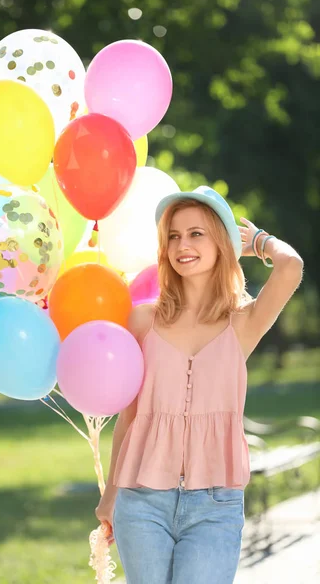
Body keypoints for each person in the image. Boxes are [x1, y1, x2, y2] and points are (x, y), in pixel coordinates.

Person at [95, 185, 303, 584]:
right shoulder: (142, 321)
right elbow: (131, 416)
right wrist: (111, 494)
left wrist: (258, 242)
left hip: (215, 505)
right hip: (141, 500)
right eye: (173, 235)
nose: (181, 245)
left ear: (220, 243)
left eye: (196, 233)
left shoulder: (243, 322)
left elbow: (290, 268)